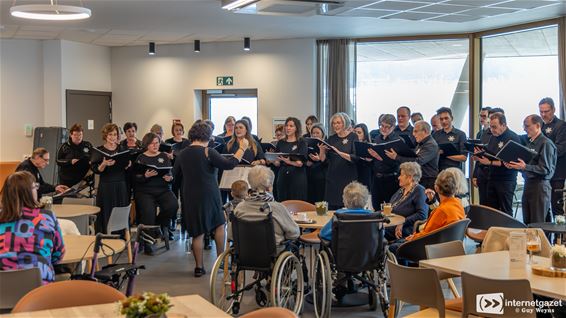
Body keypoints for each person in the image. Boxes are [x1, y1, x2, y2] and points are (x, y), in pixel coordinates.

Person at [173, 120, 247, 277]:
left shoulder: (182, 153)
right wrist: (242, 148)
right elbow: (230, 164)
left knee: (197, 232)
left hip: (190, 195)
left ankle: (199, 267)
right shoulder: (208, 151)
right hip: (209, 193)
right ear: (206, 136)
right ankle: (221, 261)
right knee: (219, 225)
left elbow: (175, 177)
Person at [0, 171, 65, 284]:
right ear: (30, 192)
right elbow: (58, 254)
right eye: (35, 187)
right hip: (39, 289)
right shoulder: (46, 217)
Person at [505, 115, 557, 224]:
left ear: (537, 126)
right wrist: (516, 167)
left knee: (538, 223)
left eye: (527, 126)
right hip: (528, 184)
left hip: (540, 186)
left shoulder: (545, 143)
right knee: (528, 222)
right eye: (524, 126)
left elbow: (545, 169)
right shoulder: (529, 143)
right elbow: (528, 167)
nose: (524, 128)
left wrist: (525, 167)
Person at [231, 166, 300, 245]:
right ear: (269, 187)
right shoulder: (277, 208)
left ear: (250, 183)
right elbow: (294, 233)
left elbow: (231, 235)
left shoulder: (240, 208)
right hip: (273, 251)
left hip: (245, 252)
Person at [134, 133, 178, 253]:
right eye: (152, 143)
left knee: (173, 205)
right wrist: (145, 176)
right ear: (147, 144)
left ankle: (159, 224)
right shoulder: (140, 158)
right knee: (148, 213)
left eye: (157, 143)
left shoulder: (164, 156)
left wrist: (170, 178)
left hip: (163, 189)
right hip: (145, 191)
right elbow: (136, 178)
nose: (155, 145)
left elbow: (170, 173)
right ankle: (148, 243)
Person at [473, 112, 520, 215]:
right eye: (490, 127)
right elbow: (491, 153)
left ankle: (506, 231)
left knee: (505, 211)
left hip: (506, 180)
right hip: (491, 178)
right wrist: (479, 156)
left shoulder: (513, 138)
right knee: (491, 211)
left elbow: (510, 162)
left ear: (503, 125)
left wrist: (490, 162)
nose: (491, 130)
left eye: (494, 127)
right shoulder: (493, 136)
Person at [91, 123, 130, 233]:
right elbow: (96, 170)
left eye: (115, 134)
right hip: (106, 185)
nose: (113, 137)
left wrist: (128, 165)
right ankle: (107, 235)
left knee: (120, 210)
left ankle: (121, 236)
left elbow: (126, 166)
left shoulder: (122, 149)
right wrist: (103, 164)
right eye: (110, 134)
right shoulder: (98, 150)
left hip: (120, 184)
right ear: (105, 136)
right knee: (106, 210)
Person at [319, 112, 358, 210]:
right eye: (334, 123)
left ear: (345, 123)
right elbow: (323, 160)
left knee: (347, 208)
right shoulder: (331, 139)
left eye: (338, 123)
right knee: (331, 209)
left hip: (347, 178)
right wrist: (321, 151)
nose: (336, 125)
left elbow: (355, 158)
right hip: (332, 178)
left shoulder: (353, 137)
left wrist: (339, 152)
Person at [386, 120, 439, 190]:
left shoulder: (431, 145)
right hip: (420, 179)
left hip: (428, 181)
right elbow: (413, 156)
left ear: (425, 131)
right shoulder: (421, 143)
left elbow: (418, 161)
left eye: (416, 131)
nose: (413, 134)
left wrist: (396, 157)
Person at [385, 162, 428, 241]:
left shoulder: (420, 191)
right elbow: (390, 206)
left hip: (406, 228)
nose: (398, 178)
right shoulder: (401, 190)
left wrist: (403, 222)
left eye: (401, 175)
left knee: (376, 231)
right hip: (393, 224)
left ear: (410, 177)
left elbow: (422, 215)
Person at [538, 97, 565, 218]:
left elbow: (560, 149)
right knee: (543, 208)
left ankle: (560, 237)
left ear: (553, 110)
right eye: (541, 111)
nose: (543, 114)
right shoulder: (540, 127)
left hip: (557, 174)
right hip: (542, 174)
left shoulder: (561, 126)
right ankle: (545, 235)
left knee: (556, 207)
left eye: (546, 111)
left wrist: (540, 153)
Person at [368, 114, 400, 209]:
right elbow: (375, 160)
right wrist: (369, 158)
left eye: (387, 127)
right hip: (377, 178)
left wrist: (379, 157)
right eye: (381, 126)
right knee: (376, 206)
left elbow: (397, 162)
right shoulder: (377, 138)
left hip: (391, 179)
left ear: (393, 127)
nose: (383, 129)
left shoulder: (398, 140)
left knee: (391, 208)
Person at [273, 117, 308, 201]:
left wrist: (288, 161)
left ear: (296, 128)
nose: (288, 128)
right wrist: (273, 160)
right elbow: (277, 162)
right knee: (283, 201)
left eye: (291, 126)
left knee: (297, 202)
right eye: (287, 125)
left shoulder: (301, 142)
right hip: (282, 175)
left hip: (297, 176)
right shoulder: (281, 142)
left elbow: (300, 163)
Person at [432, 107, 467, 171]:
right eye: (441, 119)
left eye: (446, 118)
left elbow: (464, 158)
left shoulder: (460, 134)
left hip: (454, 171)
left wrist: (445, 154)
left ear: (452, 118)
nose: (444, 121)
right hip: (438, 171)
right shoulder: (435, 135)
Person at [471, 107, 492, 205]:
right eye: (480, 116)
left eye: (484, 116)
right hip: (481, 171)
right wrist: (475, 175)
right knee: (482, 201)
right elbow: (478, 156)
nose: (481, 118)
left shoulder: (493, 133)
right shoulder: (480, 133)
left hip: (491, 170)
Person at [306, 124, 328, 203]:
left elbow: (328, 163)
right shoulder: (308, 145)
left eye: (317, 133)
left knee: (320, 201)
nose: (315, 135)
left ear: (322, 134)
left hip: (322, 177)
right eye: (313, 133)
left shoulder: (326, 145)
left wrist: (319, 159)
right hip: (310, 176)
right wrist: (306, 162)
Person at [354, 123, 373, 191]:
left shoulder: (369, 146)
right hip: (353, 174)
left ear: (364, 135)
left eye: (359, 132)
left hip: (364, 175)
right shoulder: (350, 145)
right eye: (355, 132)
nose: (356, 134)